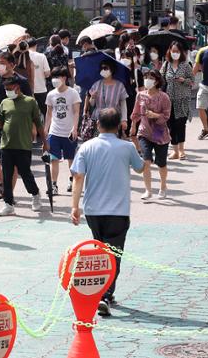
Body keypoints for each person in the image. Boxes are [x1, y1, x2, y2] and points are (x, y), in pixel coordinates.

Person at [70, 108, 144, 317]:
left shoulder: (86, 147)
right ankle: (104, 294)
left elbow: (77, 177)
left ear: (98, 125)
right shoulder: (127, 147)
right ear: (118, 126)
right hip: (118, 210)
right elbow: (140, 168)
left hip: (93, 210)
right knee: (114, 254)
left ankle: (103, 293)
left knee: (101, 251)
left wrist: (74, 206)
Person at [0, 77, 46, 217]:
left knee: (25, 174)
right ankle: (8, 204)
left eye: (10, 89)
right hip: (6, 145)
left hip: (23, 145)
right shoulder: (4, 103)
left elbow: (38, 123)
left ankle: (35, 194)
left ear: (17, 87)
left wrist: (45, 143)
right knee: (6, 176)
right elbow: (0, 124)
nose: (7, 92)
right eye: (6, 89)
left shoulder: (30, 102)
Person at [0, 52, 33, 199]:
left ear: (12, 65)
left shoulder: (21, 81)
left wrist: (32, 127)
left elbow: (30, 104)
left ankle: (9, 195)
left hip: (13, 129)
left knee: (12, 164)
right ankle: (4, 181)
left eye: (3, 62)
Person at [130, 70, 171, 200]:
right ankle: (148, 190)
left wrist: (155, 115)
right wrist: (133, 125)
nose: (148, 80)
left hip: (160, 133)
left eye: (151, 78)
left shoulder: (164, 97)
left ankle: (163, 186)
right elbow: (136, 112)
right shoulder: (140, 95)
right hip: (144, 132)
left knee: (161, 164)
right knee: (146, 161)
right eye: (146, 77)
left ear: (157, 81)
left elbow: (166, 115)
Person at [45, 66, 81, 194]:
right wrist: (45, 130)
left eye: (57, 77)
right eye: (53, 77)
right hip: (54, 132)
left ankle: (72, 180)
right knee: (54, 159)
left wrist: (75, 128)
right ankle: (54, 185)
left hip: (69, 132)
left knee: (71, 158)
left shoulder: (73, 93)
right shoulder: (51, 94)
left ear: (64, 78)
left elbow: (77, 112)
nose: (54, 80)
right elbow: (49, 114)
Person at [162, 42, 194, 160]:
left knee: (180, 125)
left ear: (181, 53)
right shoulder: (166, 65)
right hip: (169, 101)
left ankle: (181, 150)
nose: (175, 53)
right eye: (173, 51)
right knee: (171, 126)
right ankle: (174, 150)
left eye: (177, 51)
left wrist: (183, 80)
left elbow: (192, 81)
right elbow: (160, 79)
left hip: (182, 100)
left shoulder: (186, 65)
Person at [84, 59, 129, 137]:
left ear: (112, 69)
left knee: (113, 143)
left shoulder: (119, 85)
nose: (103, 70)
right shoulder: (96, 84)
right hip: (99, 119)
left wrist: (124, 119)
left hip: (114, 119)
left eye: (105, 68)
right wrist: (92, 97)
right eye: (101, 68)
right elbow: (92, 104)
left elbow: (123, 104)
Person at [29, 37, 51, 118]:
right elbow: (47, 73)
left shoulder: (23, 56)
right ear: (36, 45)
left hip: (27, 89)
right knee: (45, 112)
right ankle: (45, 129)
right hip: (41, 88)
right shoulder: (42, 56)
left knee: (30, 114)